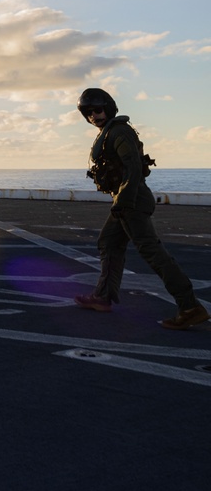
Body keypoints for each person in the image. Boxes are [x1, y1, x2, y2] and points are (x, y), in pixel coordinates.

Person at [74, 88, 209, 329]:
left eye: (98, 109)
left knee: (153, 253)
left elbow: (133, 167)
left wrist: (124, 201)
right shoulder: (108, 133)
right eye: (88, 112)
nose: (94, 115)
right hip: (125, 201)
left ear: (109, 107)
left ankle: (189, 306)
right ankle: (103, 297)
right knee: (109, 243)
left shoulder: (119, 131)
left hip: (132, 202)